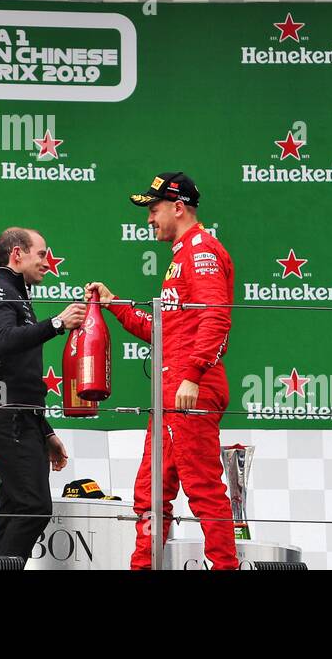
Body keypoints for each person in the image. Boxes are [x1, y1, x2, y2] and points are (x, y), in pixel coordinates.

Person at [86, 172, 239, 570]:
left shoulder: (201, 250)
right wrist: (114, 303)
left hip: (191, 388)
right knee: (151, 492)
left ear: (177, 207)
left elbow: (215, 316)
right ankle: (143, 566)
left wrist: (192, 373)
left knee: (204, 490)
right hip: (171, 389)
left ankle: (226, 567)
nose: (149, 219)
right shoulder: (182, 255)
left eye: (153, 210)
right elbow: (163, 330)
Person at [0, 227, 85, 562]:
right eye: (41, 254)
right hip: (8, 418)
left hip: (22, 418)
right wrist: (58, 323)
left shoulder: (17, 295)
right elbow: (5, 340)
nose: (48, 263)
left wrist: (46, 430)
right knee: (33, 506)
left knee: (17, 509)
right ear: (16, 254)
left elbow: (20, 374)